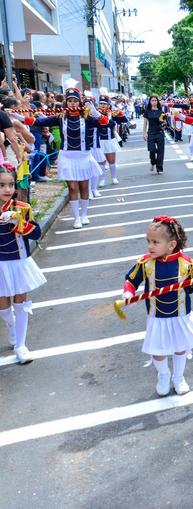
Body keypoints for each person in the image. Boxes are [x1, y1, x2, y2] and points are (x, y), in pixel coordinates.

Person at [122, 216, 193, 395]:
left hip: (181, 314)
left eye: (155, 242)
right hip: (156, 316)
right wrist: (128, 294)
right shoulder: (145, 262)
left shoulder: (186, 263)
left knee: (180, 347)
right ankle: (163, 375)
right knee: (158, 350)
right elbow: (131, 280)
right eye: (148, 241)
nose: (150, 246)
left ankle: (178, 376)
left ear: (172, 244)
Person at [15, 87, 106, 228]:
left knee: (84, 187)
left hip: (84, 156)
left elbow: (107, 123)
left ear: (79, 102)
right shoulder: (60, 117)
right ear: (66, 103)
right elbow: (37, 122)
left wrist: (96, 113)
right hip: (67, 157)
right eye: (70, 101)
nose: (73, 103)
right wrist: (17, 116)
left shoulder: (87, 118)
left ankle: (84, 215)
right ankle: (76, 218)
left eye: (75, 101)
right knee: (72, 188)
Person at [0, 163, 46, 363]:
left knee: (21, 305)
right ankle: (11, 324)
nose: (7, 190)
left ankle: (21, 346)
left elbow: (36, 233)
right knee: (4, 310)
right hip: (0, 264)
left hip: (19, 262)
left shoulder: (22, 208)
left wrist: (17, 222)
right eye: (2, 185)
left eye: (11, 185)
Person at [96, 92, 127, 186]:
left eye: (105, 104)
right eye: (101, 103)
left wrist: (119, 113)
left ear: (108, 105)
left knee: (111, 160)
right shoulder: (95, 114)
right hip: (99, 140)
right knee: (101, 161)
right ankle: (102, 179)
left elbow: (124, 120)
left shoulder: (112, 114)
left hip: (110, 139)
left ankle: (113, 177)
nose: (102, 105)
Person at [142, 95, 167, 175]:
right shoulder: (147, 111)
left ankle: (159, 168)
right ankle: (153, 162)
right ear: (150, 102)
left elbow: (165, 122)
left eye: (155, 100)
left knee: (160, 151)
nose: (154, 102)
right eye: (152, 100)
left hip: (159, 133)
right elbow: (145, 123)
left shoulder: (161, 112)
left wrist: (163, 124)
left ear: (157, 102)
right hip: (151, 133)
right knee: (152, 150)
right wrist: (144, 133)